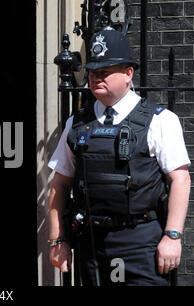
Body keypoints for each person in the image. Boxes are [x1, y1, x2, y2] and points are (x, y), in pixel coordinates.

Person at [48, 28, 191, 286]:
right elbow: (59, 183)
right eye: (92, 72)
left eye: (104, 72)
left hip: (141, 242)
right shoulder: (78, 123)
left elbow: (180, 179)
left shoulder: (160, 121)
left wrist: (172, 236)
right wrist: (58, 239)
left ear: (128, 74)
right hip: (92, 243)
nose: (95, 78)